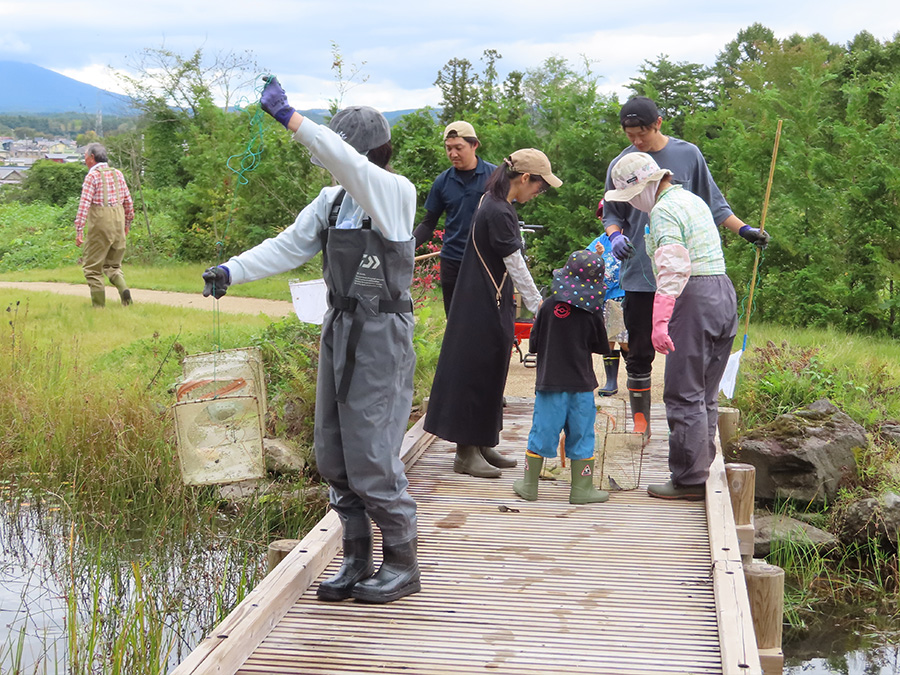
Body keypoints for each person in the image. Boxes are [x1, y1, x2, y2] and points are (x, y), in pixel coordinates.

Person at [201, 76, 419, 604]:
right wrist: (232, 270)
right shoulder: (331, 201)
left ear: (365, 154)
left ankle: (402, 563)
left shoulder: (394, 193)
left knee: (372, 452)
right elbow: (287, 247)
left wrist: (293, 119)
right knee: (334, 451)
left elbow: (347, 163)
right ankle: (355, 556)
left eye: (342, 154)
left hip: (381, 336)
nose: (333, 165)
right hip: (339, 328)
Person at [601, 96, 768, 441]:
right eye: (630, 135)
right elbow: (612, 213)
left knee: (692, 358)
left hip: (688, 279)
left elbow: (715, 205)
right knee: (639, 350)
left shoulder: (687, 155)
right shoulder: (624, 164)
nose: (636, 142)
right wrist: (615, 237)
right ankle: (641, 424)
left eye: (641, 134)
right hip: (640, 274)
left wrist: (746, 231)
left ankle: (695, 432)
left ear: (658, 124)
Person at [604, 152, 737, 501]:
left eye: (631, 197)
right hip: (722, 290)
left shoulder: (663, 211)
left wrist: (660, 321)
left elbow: (673, 268)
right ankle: (701, 468)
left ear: (645, 186)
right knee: (706, 391)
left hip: (693, 296)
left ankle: (689, 480)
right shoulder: (690, 199)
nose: (632, 204)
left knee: (683, 392)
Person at [424, 149, 560, 478]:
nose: (537, 193)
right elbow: (515, 263)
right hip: (482, 303)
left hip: (485, 298)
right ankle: (465, 452)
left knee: (492, 369)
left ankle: (483, 443)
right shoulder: (499, 211)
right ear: (525, 178)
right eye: (539, 187)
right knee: (476, 371)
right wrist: (538, 304)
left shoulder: (494, 201)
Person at [513, 249, 611, 504]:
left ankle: (529, 485)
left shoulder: (546, 307)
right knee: (581, 434)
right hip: (581, 385)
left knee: (543, 431)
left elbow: (534, 344)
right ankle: (581, 489)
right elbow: (601, 346)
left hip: (550, 384)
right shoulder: (592, 312)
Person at [414, 121, 497, 315]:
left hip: (485, 261)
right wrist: (405, 248)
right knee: (454, 318)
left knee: (483, 318)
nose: (453, 154)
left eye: (458, 148)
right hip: (452, 260)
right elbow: (428, 224)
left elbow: (506, 219)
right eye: (448, 148)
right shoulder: (443, 181)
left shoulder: (494, 177)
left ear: (474, 145)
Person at [74, 143, 134, 308]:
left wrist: (79, 230)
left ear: (92, 158)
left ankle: (99, 307)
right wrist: (127, 223)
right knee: (113, 265)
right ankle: (124, 292)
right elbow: (128, 202)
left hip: (101, 224)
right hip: (118, 222)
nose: (85, 160)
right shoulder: (118, 174)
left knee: (93, 268)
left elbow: (84, 205)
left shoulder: (92, 177)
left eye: (85, 157)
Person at [587, 199, 628, 397]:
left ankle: (634, 374)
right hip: (606, 296)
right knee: (608, 338)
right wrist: (596, 255)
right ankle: (611, 380)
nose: (605, 217)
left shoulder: (627, 237)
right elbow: (586, 264)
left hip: (624, 294)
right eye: (602, 214)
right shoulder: (599, 242)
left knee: (626, 339)